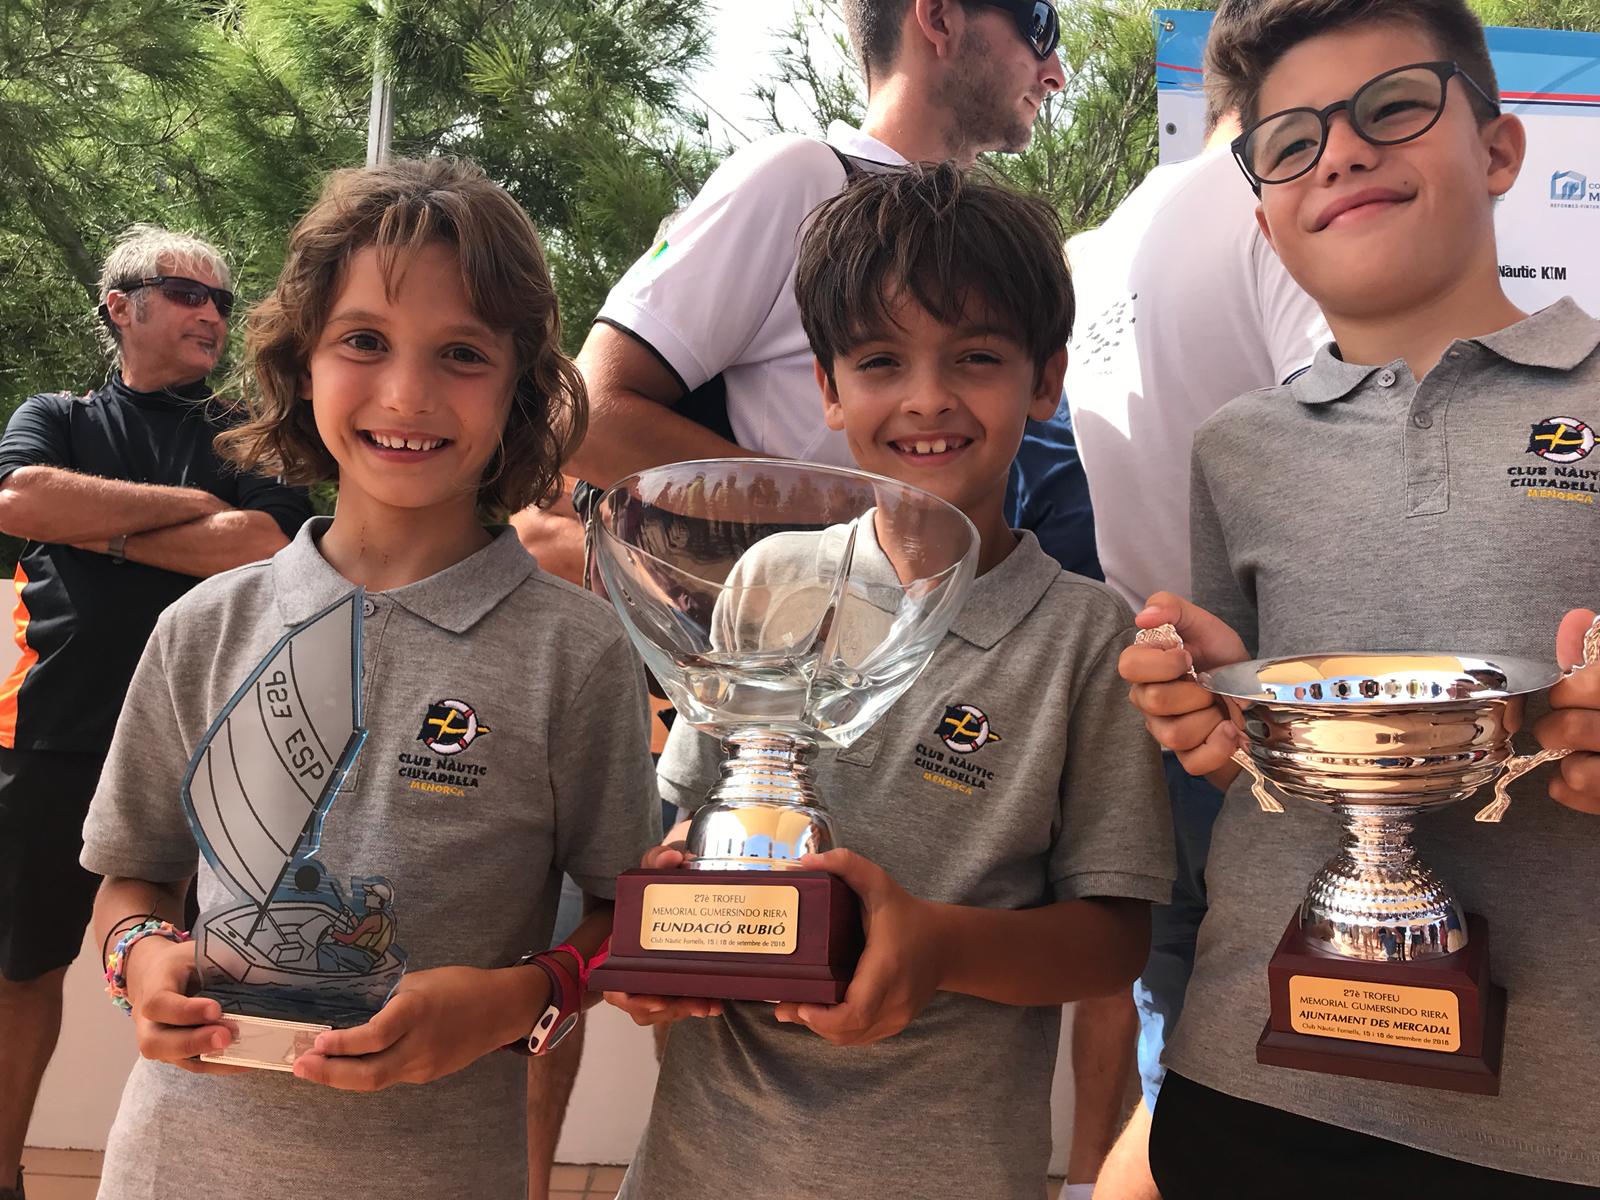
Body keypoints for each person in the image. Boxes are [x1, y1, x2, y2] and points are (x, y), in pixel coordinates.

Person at [78, 158, 660, 1200]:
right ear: (302, 362)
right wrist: (140, 963)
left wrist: (517, 1001)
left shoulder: (577, 654)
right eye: (363, 341)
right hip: (172, 1165)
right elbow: (132, 879)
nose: (406, 395)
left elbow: (626, 914)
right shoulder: (203, 627)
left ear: (520, 387)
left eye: (462, 354)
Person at [606, 164, 1175, 1200]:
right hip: (700, 1166)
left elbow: (1111, 941)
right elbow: (687, 823)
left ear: (1044, 380)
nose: (926, 398)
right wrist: (661, 938)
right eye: (879, 360)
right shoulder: (769, 579)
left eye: (976, 357)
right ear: (827, 389)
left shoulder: (1087, 635)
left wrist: (937, 947)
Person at [1120, 1, 1600, 1194]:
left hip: (1558, 1114)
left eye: (1391, 108)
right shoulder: (1235, 448)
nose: (1338, 152)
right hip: (1253, 1077)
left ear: (1497, 148)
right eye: (1290, 143)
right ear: (1266, 216)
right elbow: (1253, 764)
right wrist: (1211, 711)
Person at [1061, 3, 1329, 1189]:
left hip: (1157, 697)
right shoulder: (1273, 205)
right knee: (1312, 1064)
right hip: (1284, 722)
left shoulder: (1103, 243)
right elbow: (1347, 449)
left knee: (1187, 1038)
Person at [0, 225, 311, 1200]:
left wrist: (102, 532)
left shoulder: (248, 433)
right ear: (119, 307)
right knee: (17, 971)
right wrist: (186, 510)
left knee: (223, 977)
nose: (210, 314)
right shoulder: (55, 415)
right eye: (185, 293)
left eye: (221, 300)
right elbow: (23, 499)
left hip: (220, 748)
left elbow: (262, 543)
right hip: (55, 732)